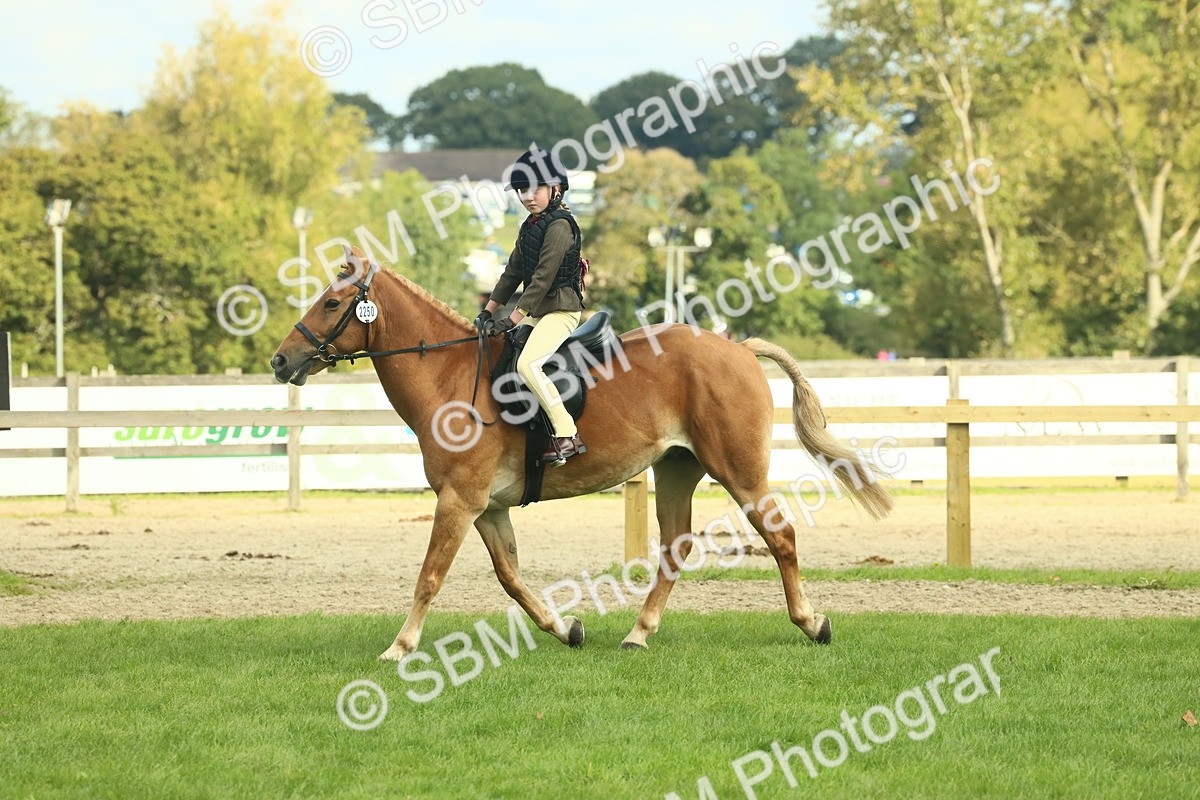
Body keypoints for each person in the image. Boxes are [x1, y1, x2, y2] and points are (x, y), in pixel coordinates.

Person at [474, 148, 587, 466]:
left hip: (561, 312)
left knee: (528, 365)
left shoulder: (560, 227)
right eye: (522, 190)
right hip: (538, 313)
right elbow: (512, 273)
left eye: (534, 189)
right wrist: (488, 310)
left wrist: (512, 318)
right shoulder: (530, 226)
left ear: (556, 189)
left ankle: (567, 434)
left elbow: (541, 280)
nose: (527, 196)